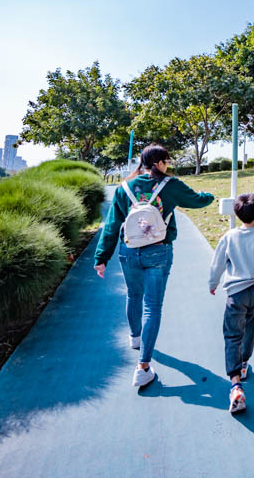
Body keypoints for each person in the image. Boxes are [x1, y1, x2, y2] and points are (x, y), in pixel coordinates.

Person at [94, 144, 214, 388]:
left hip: (128, 251)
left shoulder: (124, 187)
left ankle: (135, 337)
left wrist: (101, 257)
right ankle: (143, 367)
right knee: (153, 306)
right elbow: (198, 201)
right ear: (159, 162)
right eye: (166, 161)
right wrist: (209, 196)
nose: (167, 165)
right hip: (158, 251)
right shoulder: (171, 186)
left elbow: (111, 226)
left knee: (133, 295)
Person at [209, 193, 254, 413]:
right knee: (250, 328)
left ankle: (235, 384)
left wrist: (213, 282)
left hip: (235, 294)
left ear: (237, 214)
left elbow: (217, 263)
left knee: (232, 335)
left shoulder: (229, 237)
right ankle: (244, 363)